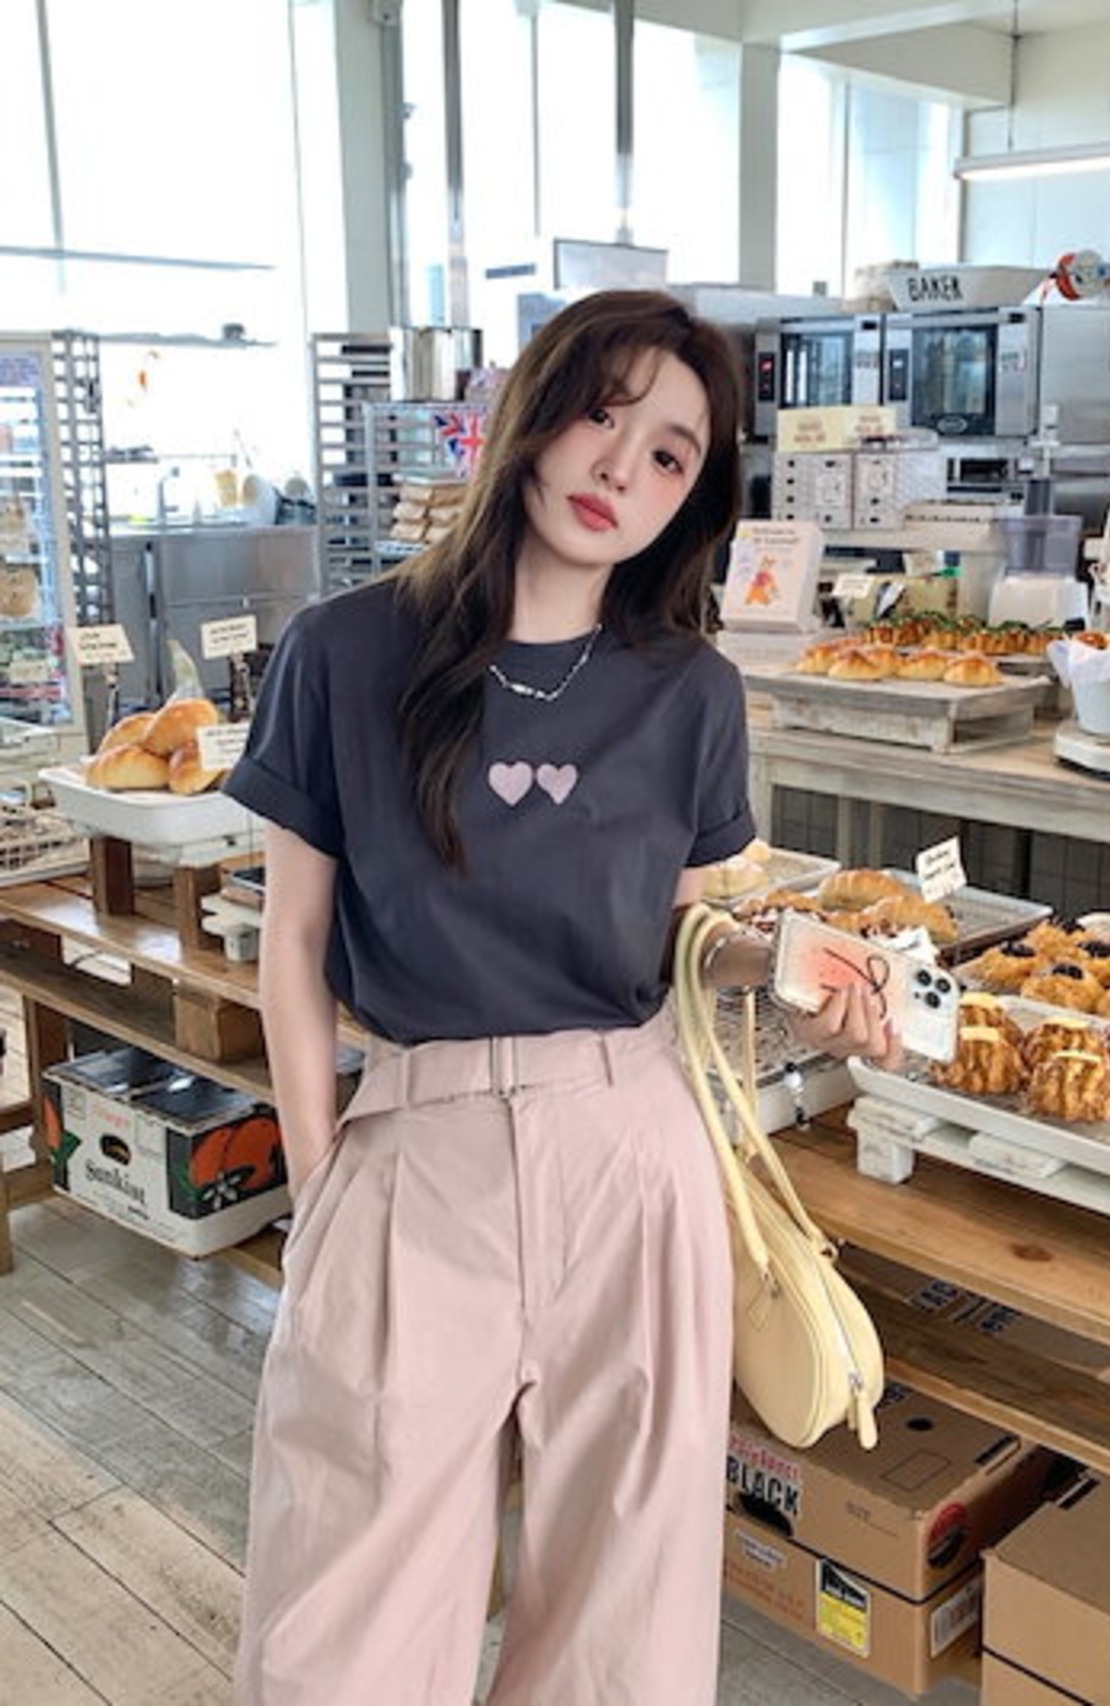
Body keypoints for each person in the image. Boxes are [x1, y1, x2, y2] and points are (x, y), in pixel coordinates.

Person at [225, 288, 897, 1706]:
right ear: (531, 413)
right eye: (603, 415)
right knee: (341, 1610)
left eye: (669, 454)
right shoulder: (343, 651)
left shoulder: (691, 691)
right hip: (413, 1151)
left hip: (631, 1149)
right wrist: (318, 1177)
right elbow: (294, 937)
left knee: (622, 1622)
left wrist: (787, 965)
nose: (619, 470)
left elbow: (690, 935)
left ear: (693, 495)